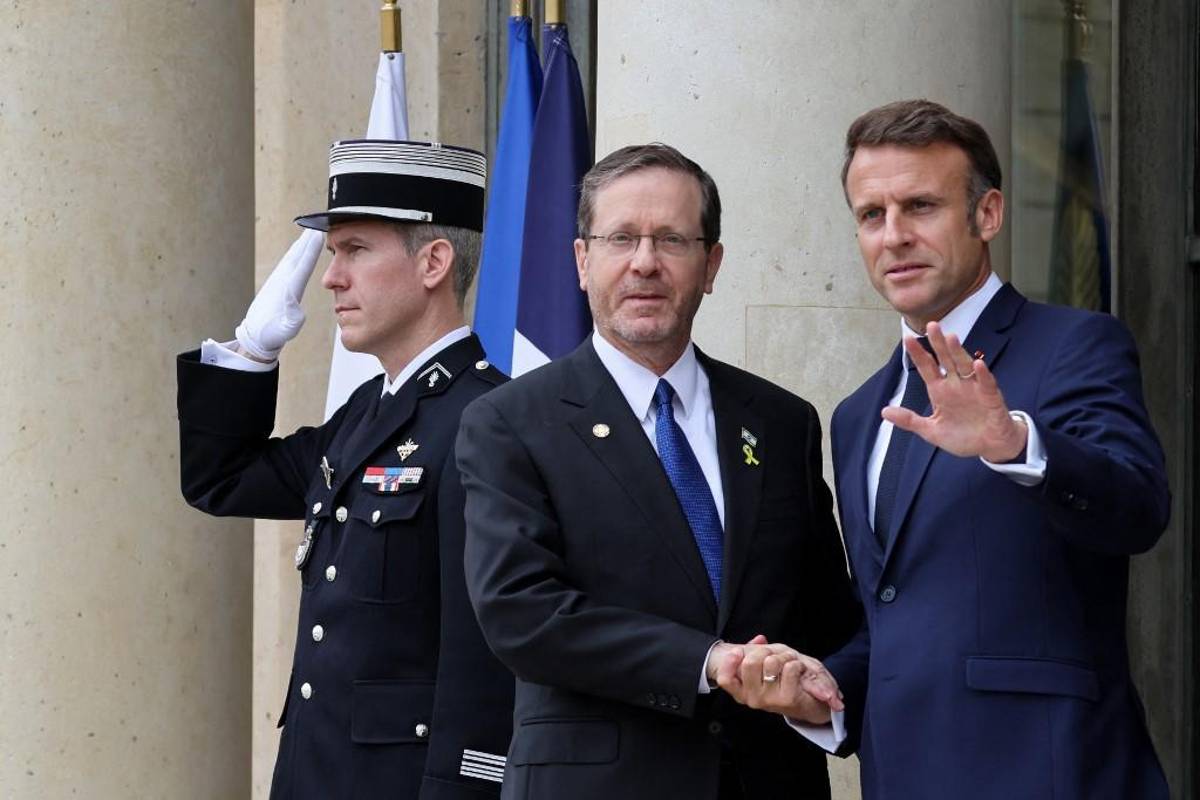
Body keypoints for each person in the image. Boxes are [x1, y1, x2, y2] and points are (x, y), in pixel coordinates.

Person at [718, 100, 1171, 800]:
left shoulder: (1075, 346)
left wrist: (1015, 445)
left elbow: (1137, 509)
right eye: (872, 215)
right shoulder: (858, 414)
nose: (894, 235)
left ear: (987, 214)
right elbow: (896, 614)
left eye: (920, 206)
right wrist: (827, 687)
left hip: (1051, 773)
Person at [455, 142, 861, 800]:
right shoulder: (509, 421)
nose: (645, 262)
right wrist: (708, 662)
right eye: (621, 239)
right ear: (582, 260)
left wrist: (823, 694)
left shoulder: (783, 423)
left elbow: (830, 616)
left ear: (711, 265)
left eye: (672, 239)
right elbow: (520, 611)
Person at [176, 139, 515, 799]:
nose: (331, 278)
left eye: (355, 250)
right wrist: (249, 355)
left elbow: (482, 656)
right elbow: (222, 479)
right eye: (333, 253)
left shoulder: (487, 422)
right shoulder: (366, 411)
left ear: (434, 263)